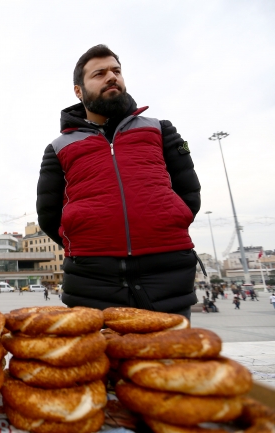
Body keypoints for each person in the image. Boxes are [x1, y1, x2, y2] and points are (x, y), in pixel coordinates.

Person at [36, 45, 201, 319]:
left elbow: (189, 193)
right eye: (99, 74)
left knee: (169, 358)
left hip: (167, 272)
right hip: (92, 278)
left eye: (116, 71)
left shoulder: (161, 129)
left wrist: (169, 221)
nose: (111, 77)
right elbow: (49, 215)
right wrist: (85, 244)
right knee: (99, 361)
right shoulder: (58, 147)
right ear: (79, 90)